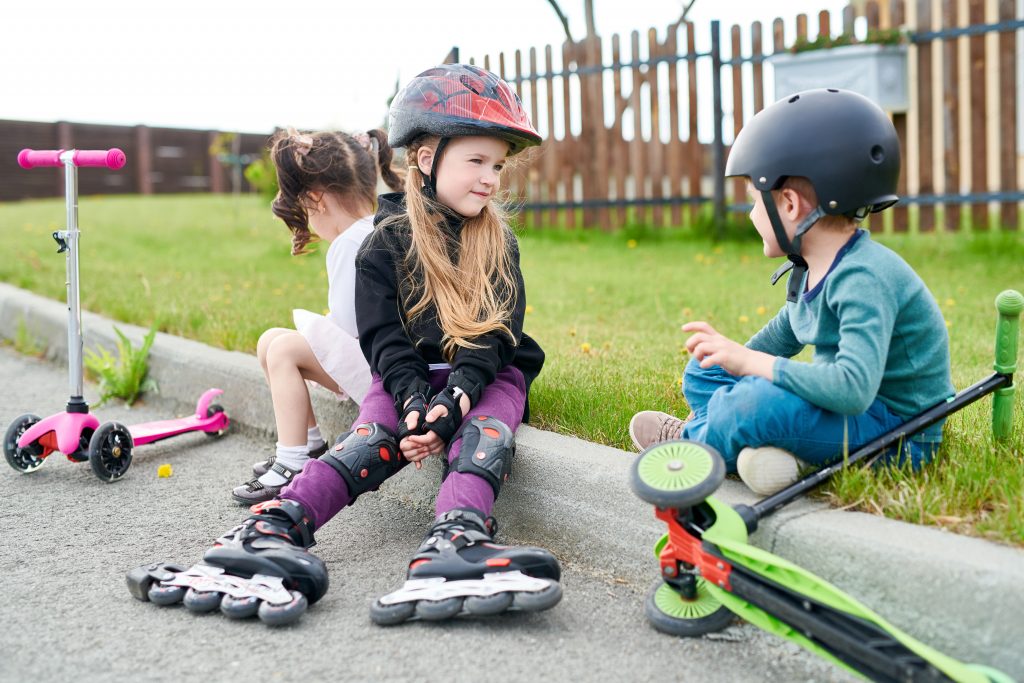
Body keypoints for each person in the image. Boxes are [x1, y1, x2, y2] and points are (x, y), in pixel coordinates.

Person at [150, 65, 560, 625]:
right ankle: (274, 525)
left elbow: (496, 332)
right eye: (476, 161)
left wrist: (456, 399)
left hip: (486, 375)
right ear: (424, 158)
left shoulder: (499, 241)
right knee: (370, 439)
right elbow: (385, 341)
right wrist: (416, 404)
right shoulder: (383, 244)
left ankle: (456, 538)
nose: (490, 178)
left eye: (496, 164)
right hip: (405, 373)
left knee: (486, 435)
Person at [630, 89, 954, 496]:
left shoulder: (864, 278)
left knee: (754, 400)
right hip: (852, 415)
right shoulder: (811, 270)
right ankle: (748, 444)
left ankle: (697, 444)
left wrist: (751, 367)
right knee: (706, 370)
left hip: (897, 435)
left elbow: (852, 388)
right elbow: (775, 342)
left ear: (789, 204)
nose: (750, 215)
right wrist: (732, 357)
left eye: (754, 201)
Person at [232, 128, 403, 504]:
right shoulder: (380, 226)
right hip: (389, 358)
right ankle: (307, 445)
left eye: (306, 211)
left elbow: (352, 325)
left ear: (317, 200)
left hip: (379, 368)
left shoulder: (349, 244)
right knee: (271, 340)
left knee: (281, 350)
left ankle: (292, 461)